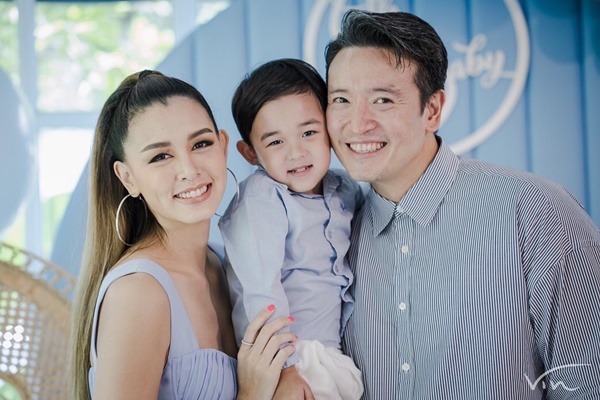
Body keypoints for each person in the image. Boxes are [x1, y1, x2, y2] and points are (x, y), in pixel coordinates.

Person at [324, 9, 600, 400]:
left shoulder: (533, 210)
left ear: (432, 109)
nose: (357, 123)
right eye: (341, 100)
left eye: (383, 100)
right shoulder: (331, 232)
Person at [69, 70, 299, 400]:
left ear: (223, 147)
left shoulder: (226, 263)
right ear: (128, 177)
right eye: (161, 156)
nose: (189, 170)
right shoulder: (138, 293)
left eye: (201, 144)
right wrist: (250, 395)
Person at [218, 58, 364, 399]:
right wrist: (285, 370)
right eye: (275, 142)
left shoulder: (345, 189)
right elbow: (260, 292)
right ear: (250, 153)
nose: (296, 152)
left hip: (332, 357)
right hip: (290, 360)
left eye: (309, 133)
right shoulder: (261, 198)